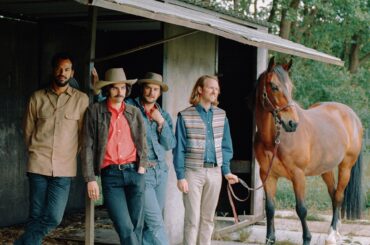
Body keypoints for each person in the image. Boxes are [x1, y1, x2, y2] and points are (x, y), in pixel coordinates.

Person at [15, 52, 89, 245]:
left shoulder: (82, 100)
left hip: (64, 168)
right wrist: (36, 150)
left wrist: (69, 153)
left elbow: (83, 135)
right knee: (35, 215)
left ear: (72, 73)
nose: (62, 72)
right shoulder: (37, 97)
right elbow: (28, 130)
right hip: (38, 165)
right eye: (59, 68)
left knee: (54, 217)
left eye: (66, 69)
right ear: (53, 70)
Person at [81, 68, 148, 245]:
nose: (120, 92)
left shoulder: (134, 112)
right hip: (111, 176)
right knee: (124, 226)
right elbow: (87, 146)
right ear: (107, 89)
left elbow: (143, 142)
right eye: (115, 88)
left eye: (123, 88)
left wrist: (142, 168)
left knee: (136, 226)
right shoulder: (94, 111)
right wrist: (90, 178)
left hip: (135, 172)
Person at [173, 75, 239, 245]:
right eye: (211, 88)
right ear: (200, 90)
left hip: (215, 172)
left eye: (216, 89)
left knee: (208, 219)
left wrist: (226, 171)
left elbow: (226, 147)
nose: (214, 91)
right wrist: (180, 176)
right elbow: (179, 148)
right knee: (192, 219)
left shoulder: (222, 115)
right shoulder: (185, 115)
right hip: (192, 172)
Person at [128, 72, 176, 245]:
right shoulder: (130, 107)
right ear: (142, 89)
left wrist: (161, 123)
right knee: (155, 221)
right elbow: (110, 105)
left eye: (156, 89)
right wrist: (97, 92)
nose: (151, 92)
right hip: (142, 171)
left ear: (160, 93)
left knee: (151, 224)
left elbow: (170, 144)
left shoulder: (163, 115)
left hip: (161, 172)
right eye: (148, 88)